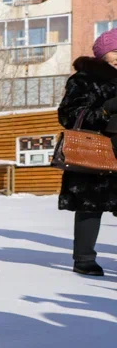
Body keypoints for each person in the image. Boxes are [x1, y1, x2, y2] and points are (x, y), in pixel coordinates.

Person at [57, 28, 117, 277]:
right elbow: (69, 115)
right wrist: (107, 109)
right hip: (96, 149)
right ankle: (84, 259)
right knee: (91, 205)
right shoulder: (83, 80)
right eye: (116, 51)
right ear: (102, 54)